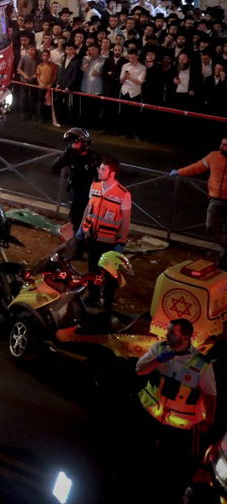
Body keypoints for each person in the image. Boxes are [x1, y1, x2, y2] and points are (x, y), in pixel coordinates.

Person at [135, 318, 217, 470]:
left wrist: (208, 422)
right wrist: (158, 361)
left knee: (170, 465)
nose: (167, 335)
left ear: (185, 337)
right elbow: (140, 370)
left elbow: (210, 395)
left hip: (178, 430)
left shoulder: (201, 364)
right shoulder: (159, 349)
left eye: (172, 333)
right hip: (150, 416)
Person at [75, 155, 131, 308]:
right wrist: (81, 228)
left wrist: (121, 242)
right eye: (100, 168)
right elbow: (88, 209)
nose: (99, 170)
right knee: (93, 269)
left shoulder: (123, 194)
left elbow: (125, 221)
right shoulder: (95, 186)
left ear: (112, 173)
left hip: (109, 241)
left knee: (110, 273)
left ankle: (107, 301)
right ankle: (93, 296)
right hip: (92, 237)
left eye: (103, 169)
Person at [170, 138, 227, 265]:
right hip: (215, 199)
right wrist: (179, 172)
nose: (222, 147)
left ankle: (223, 262)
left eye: (225, 145)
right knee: (211, 227)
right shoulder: (214, 156)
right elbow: (197, 167)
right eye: (221, 144)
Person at [52, 127, 100, 233]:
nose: (72, 145)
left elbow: (101, 179)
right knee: (75, 218)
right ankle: (75, 237)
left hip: (90, 194)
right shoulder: (71, 154)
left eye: (74, 142)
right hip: (74, 191)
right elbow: (55, 167)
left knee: (86, 220)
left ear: (84, 143)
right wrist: (65, 155)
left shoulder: (95, 158)